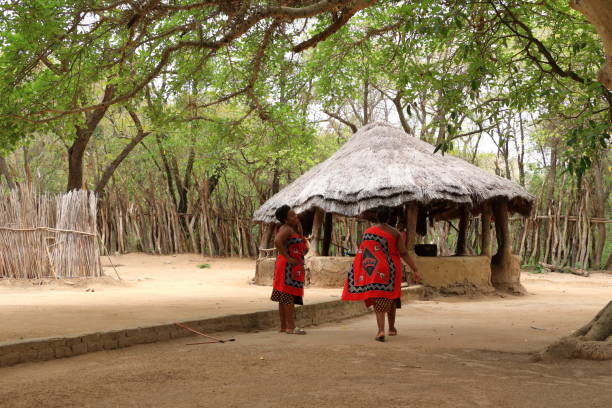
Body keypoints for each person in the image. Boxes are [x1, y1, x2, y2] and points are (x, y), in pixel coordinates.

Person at [342, 206, 420, 342]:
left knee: (378, 299)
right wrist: (415, 269)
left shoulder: (368, 232)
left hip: (374, 269)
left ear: (376, 217)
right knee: (392, 297)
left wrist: (361, 271)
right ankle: (391, 328)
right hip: (391, 269)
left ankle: (381, 331)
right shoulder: (395, 233)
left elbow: (363, 253)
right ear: (390, 218)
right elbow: (403, 253)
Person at [271, 205, 308, 334]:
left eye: (295, 214)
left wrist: (300, 228)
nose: (296, 216)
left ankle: (284, 326)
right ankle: (291, 327)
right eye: (292, 215)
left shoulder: (291, 229)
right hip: (287, 267)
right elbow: (277, 241)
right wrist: (288, 258)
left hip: (289, 266)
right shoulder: (286, 229)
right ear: (285, 220)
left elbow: (303, 246)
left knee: (283, 296)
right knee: (287, 296)